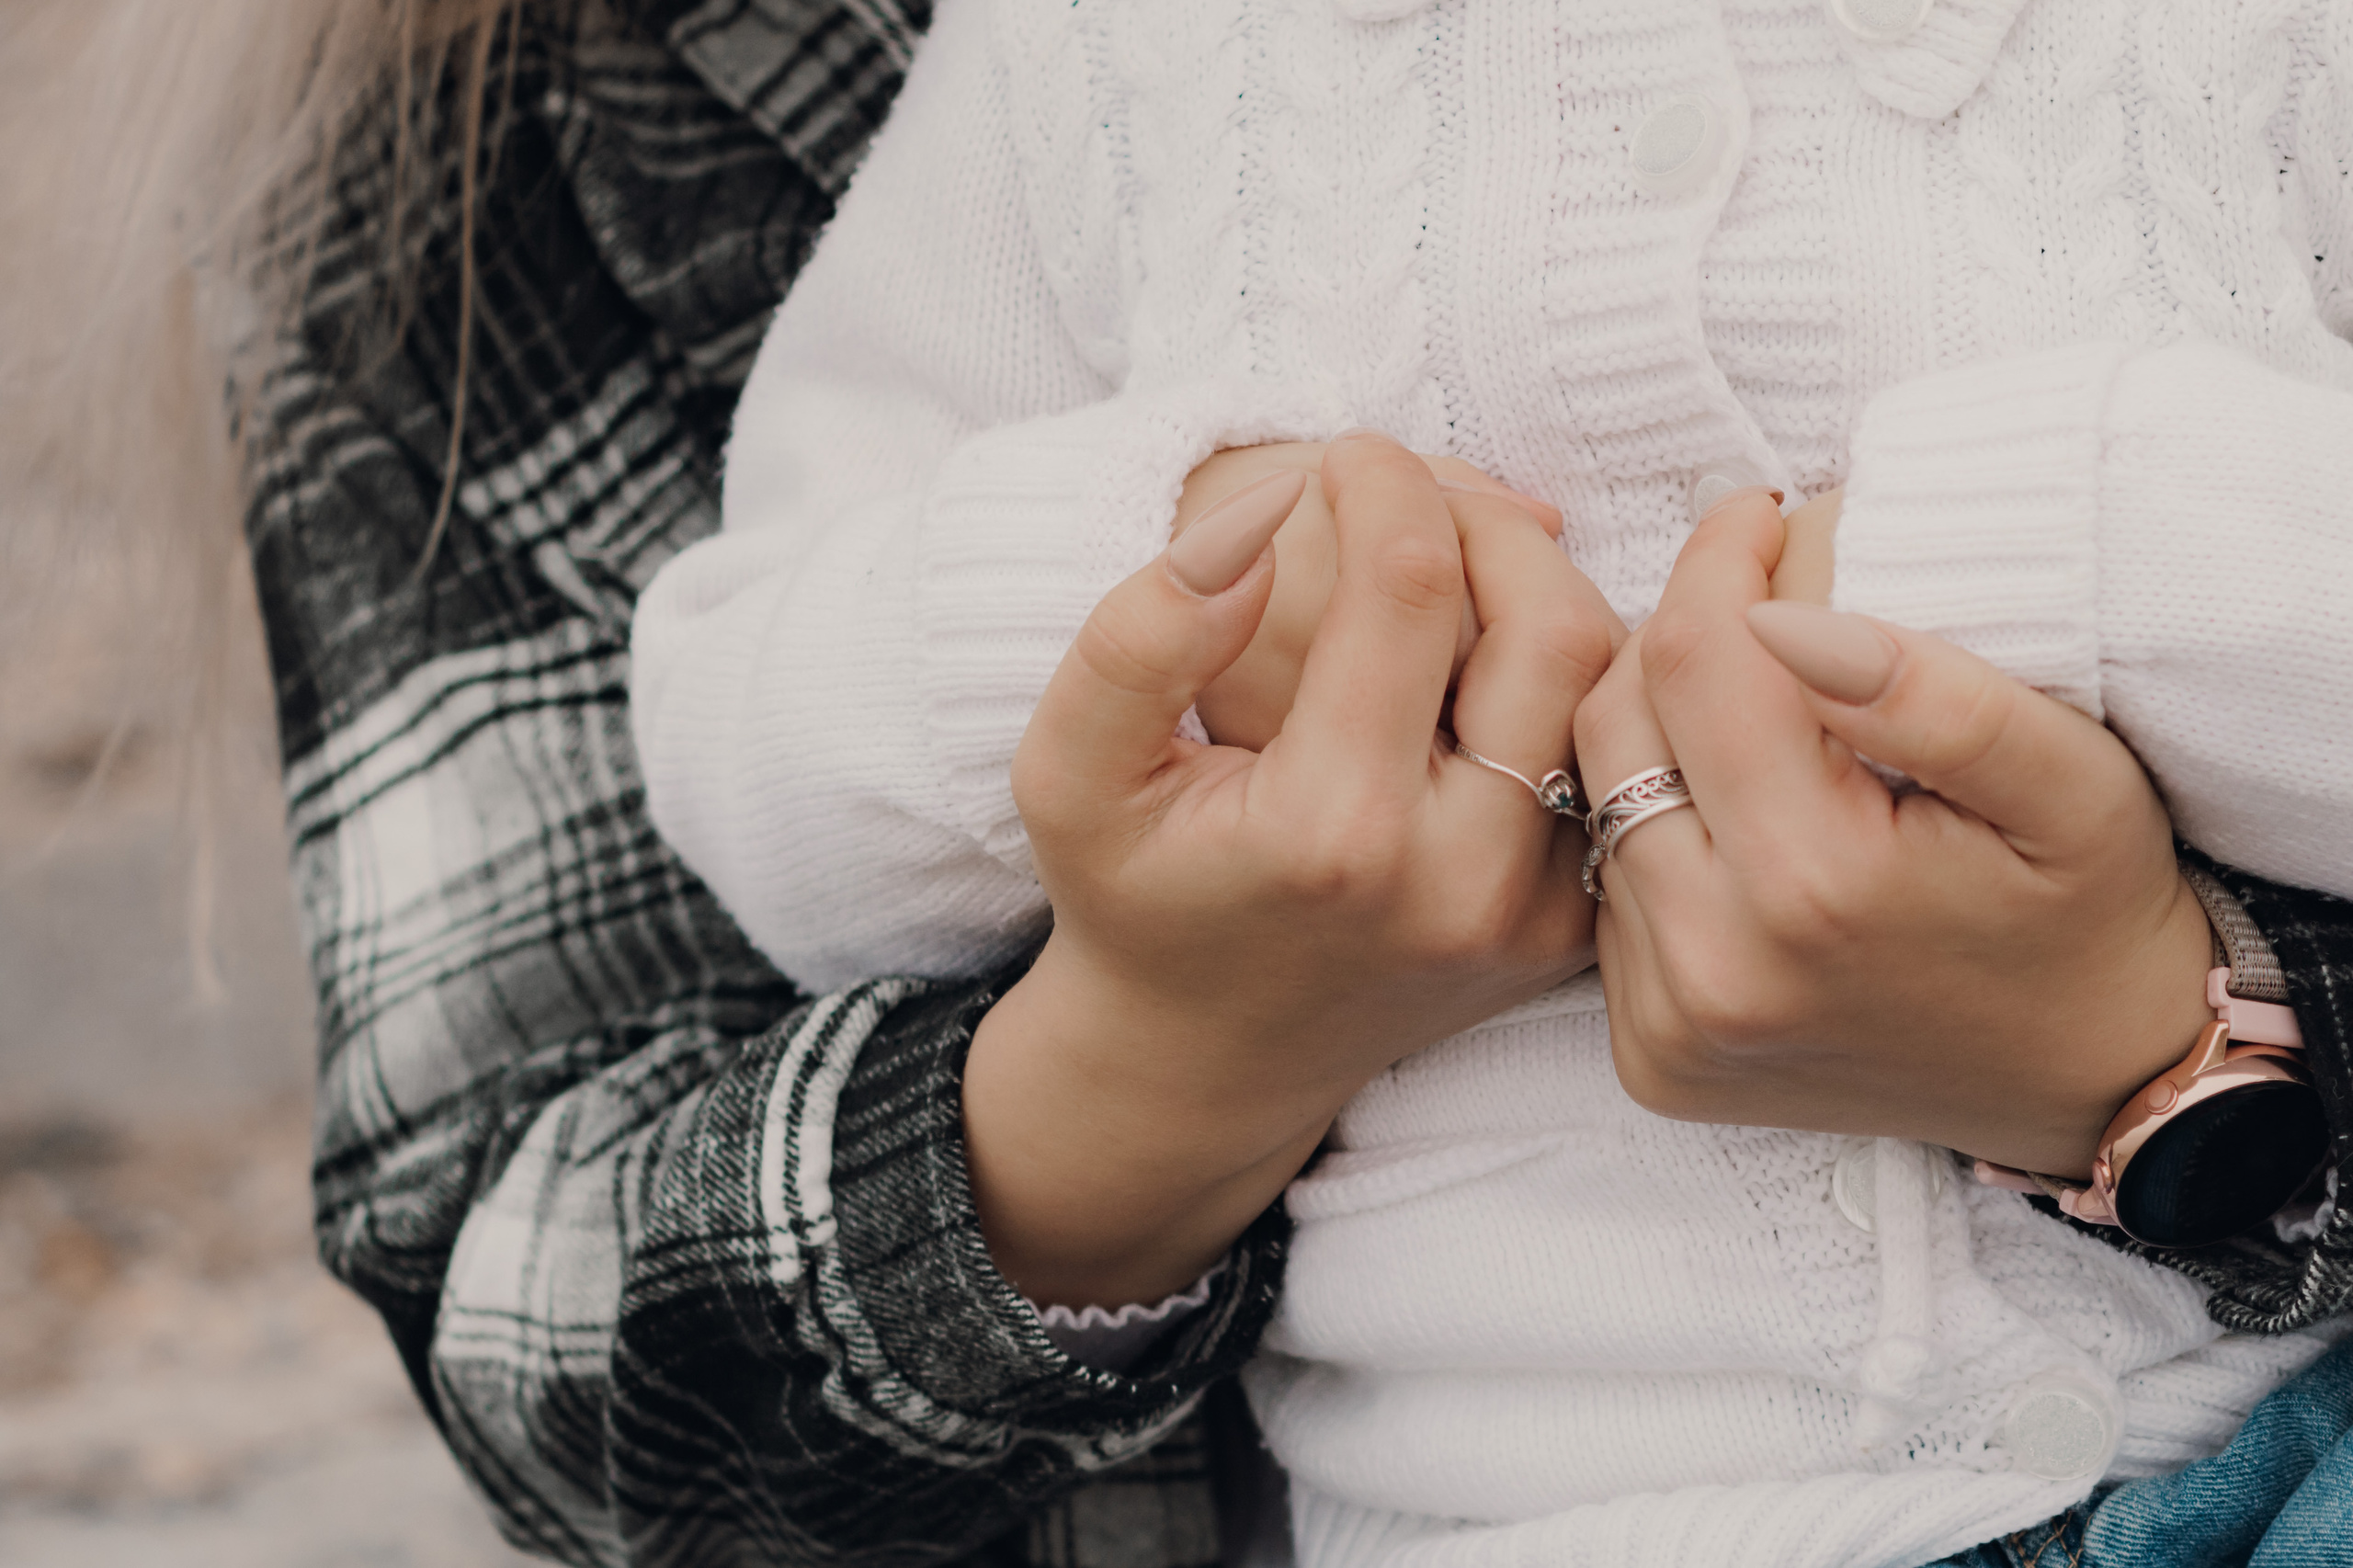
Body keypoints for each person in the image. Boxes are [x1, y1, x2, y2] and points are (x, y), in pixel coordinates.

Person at [30, 0, 2353, 1564]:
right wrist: (1171, 608)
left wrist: (2061, 577)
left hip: (2253, 1462)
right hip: (1507, 1512)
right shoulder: (1117, 68)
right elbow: (744, 705)